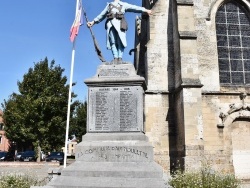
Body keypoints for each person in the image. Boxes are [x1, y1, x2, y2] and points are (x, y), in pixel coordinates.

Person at [87, 0, 152, 64]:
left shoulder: (123, 5)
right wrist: (93, 22)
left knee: (120, 42)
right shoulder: (109, 5)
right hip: (110, 25)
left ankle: (120, 58)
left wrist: (145, 10)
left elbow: (134, 8)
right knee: (113, 42)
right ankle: (115, 58)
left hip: (120, 25)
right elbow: (102, 15)